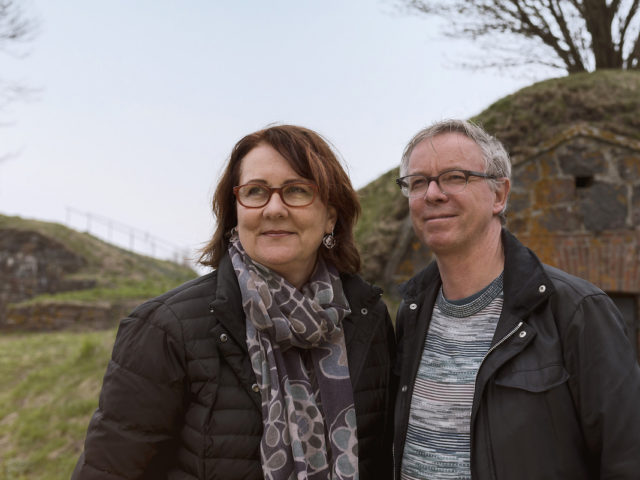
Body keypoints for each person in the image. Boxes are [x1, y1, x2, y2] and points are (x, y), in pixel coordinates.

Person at [72, 125, 395, 480]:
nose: (274, 208)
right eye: (256, 191)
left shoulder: (367, 319)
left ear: (331, 215)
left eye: (298, 190)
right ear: (235, 212)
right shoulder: (165, 328)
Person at [392, 119, 640, 479]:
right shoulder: (411, 313)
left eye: (455, 177)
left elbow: (628, 461)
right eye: (418, 182)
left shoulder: (577, 311)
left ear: (499, 195)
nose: (432, 194)